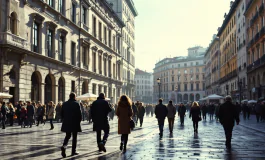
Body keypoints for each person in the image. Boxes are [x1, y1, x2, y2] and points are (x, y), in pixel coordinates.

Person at [60, 92, 82, 158]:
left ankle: (64, 146)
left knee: (67, 136)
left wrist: (64, 119)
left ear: (69, 97)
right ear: (74, 97)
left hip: (67, 122)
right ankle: (73, 151)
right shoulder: (76, 104)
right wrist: (79, 121)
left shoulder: (64, 104)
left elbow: (61, 114)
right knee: (74, 137)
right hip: (75, 122)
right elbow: (79, 114)